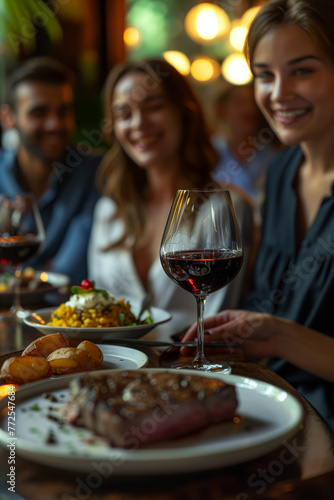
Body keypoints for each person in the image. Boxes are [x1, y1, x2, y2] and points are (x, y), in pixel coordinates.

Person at [182, 0, 334, 429]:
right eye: (264, 75)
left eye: (302, 70)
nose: (279, 93)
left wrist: (280, 336)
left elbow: (282, 330)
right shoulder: (281, 171)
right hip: (270, 403)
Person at [88, 58, 256, 341]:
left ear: (184, 113)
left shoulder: (225, 209)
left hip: (193, 368)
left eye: (154, 107)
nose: (139, 123)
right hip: (115, 368)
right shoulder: (108, 210)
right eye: (124, 113)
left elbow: (219, 318)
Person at [0, 57, 102, 284]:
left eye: (64, 111)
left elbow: (72, 272)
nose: (55, 124)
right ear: (9, 118)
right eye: (39, 113)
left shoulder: (95, 172)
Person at [210, 80, 279, 209]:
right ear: (221, 109)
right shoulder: (207, 153)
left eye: (252, 102)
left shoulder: (272, 155)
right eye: (239, 102)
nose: (249, 109)